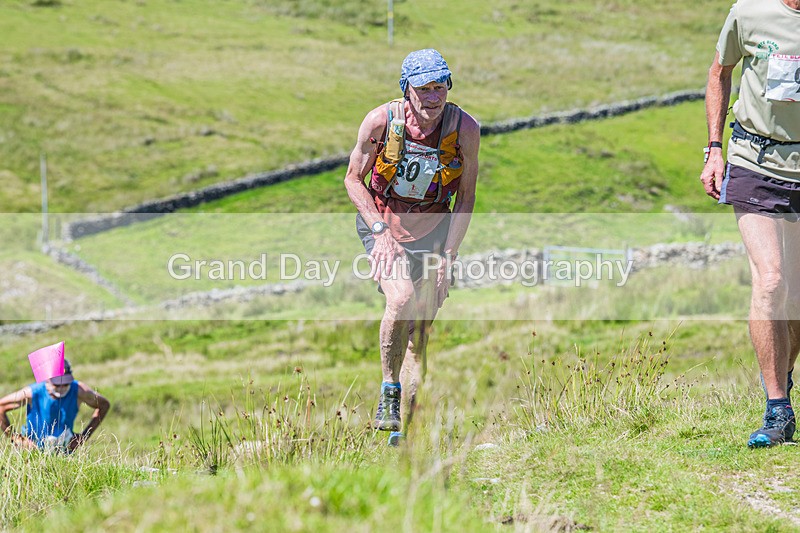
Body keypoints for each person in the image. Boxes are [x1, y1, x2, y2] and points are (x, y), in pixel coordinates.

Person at [344, 49, 479, 442]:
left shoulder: (465, 129)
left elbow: (466, 197)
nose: (433, 97)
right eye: (423, 89)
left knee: (419, 337)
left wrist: (448, 257)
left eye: (440, 87)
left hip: (435, 229)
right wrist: (379, 231)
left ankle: (402, 432)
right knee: (401, 298)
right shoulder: (380, 121)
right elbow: (352, 179)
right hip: (383, 223)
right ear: (407, 90)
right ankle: (389, 390)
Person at [701, 0, 800, 447]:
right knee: (771, 279)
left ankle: (782, 373)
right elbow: (719, 73)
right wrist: (714, 148)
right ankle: (777, 409)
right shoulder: (748, 12)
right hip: (754, 160)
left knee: (795, 295)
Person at [0, 359, 111, 452]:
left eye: (66, 383)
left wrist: (84, 436)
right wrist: (15, 438)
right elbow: (1, 406)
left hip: (64, 450)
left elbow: (104, 405)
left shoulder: (79, 390)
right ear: (47, 379)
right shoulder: (33, 392)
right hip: (32, 450)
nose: (62, 388)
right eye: (57, 384)